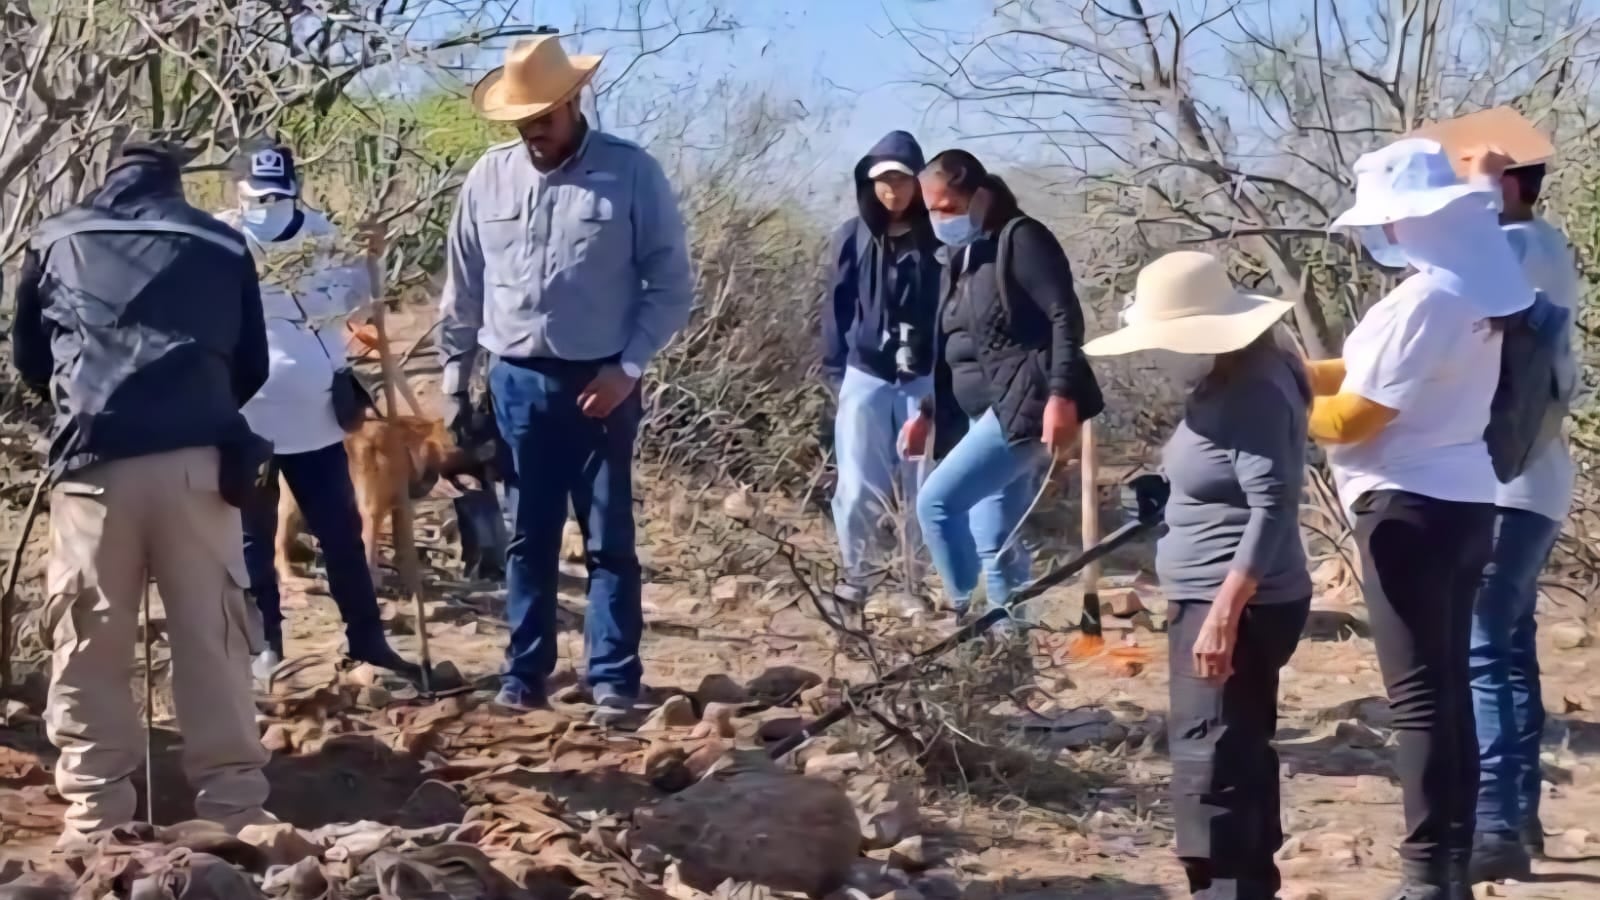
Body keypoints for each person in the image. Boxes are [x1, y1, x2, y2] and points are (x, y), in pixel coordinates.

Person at [9, 141, 276, 839]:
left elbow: (29, 359)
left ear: (110, 178)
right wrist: (194, 408)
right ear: (175, 184)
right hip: (197, 465)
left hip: (93, 465)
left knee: (89, 637)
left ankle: (96, 813)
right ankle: (235, 807)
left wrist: (83, 404)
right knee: (212, 634)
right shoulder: (221, 243)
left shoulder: (55, 237)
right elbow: (251, 363)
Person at [437, 35, 693, 712]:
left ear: (575, 101)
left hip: (601, 385)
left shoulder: (632, 173)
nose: (533, 132)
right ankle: (524, 674)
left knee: (608, 538)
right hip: (515, 383)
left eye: (543, 117)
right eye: (522, 120)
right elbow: (463, 290)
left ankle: (612, 679)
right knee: (528, 536)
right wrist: (455, 382)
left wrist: (628, 367)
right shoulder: (487, 177)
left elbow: (670, 285)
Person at [1314, 138, 1534, 899]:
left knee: (1419, 701)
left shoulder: (1426, 302)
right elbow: (1361, 374)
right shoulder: (1471, 293)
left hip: (1405, 508)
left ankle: (1425, 876)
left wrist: (1272, 403)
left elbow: (1354, 417)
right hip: (1462, 502)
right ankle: (1448, 866)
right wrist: (1285, 371)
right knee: (1445, 692)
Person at [1085, 251, 1310, 899]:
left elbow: (1273, 504)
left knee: (1211, 760)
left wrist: (1223, 613)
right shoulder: (1237, 375)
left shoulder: (1252, 390)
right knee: (1235, 750)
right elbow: (1229, 476)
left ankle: (1227, 887)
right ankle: (1245, 884)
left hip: (1231, 598)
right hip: (1218, 591)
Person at [213, 141, 421, 683]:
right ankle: (265, 645)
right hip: (247, 417)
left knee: (341, 533)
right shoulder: (219, 238)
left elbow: (360, 300)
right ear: (238, 190)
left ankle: (367, 641)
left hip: (316, 418)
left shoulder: (324, 235)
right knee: (252, 537)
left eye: (278, 196)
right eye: (259, 196)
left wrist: (372, 258)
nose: (269, 207)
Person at [900, 149, 1104, 618]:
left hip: (1022, 405)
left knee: (937, 505)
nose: (940, 219)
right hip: (982, 412)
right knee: (994, 538)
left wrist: (1061, 395)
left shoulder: (1022, 238)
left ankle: (969, 619)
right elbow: (959, 346)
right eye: (932, 211)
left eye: (948, 207)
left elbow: (1064, 317)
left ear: (979, 195)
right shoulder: (968, 255)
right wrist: (927, 414)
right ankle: (1011, 644)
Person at [1466, 156, 1582, 883]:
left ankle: (1496, 824)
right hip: (1533, 479)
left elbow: (1468, 275)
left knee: (1484, 652)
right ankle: (1517, 814)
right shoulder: (1545, 244)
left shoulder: (1514, 246)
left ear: (1508, 183)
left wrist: (1480, 193)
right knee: (1508, 651)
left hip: (1508, 482)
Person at [819, 130, 942, 601]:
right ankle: (858, 578)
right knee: (856, 485)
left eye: (902, 180)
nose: (893, 190)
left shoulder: (939, 238)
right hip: (865, 373)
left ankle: (915, 583)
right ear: (870, 183)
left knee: (922, 485)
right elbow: (836, 305)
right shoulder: (851, 236)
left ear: (918, 183)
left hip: (923, 378)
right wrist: (837, 371)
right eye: (884, 181)